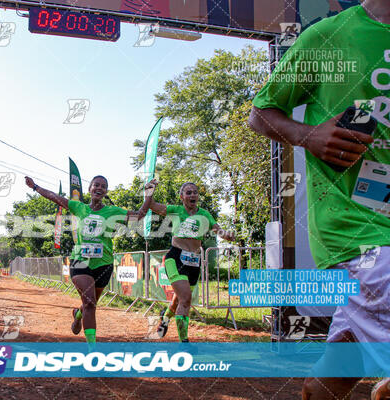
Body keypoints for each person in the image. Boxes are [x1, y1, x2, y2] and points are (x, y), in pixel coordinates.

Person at [247, 1, 390, 398]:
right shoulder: (328, 36)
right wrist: (308, 136)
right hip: (356, 223)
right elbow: (260, 113)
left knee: (340, 372)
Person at [25, 175, 152, 345]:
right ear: (90, 189)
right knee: (90, 303)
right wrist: (35, 187)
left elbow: (139, 215)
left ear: (106, 191)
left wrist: (149, 194)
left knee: (89, 304)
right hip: (80, 262)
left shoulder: (113, 211)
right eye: (96, 185)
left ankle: (78, 315)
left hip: (103, 264)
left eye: (103, 186)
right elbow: (54, 196)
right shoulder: (79, 207)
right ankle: (92, 350)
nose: (99, 188)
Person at [145, 180, 234, 342]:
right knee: (186, 299)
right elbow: (151, 205)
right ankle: (184, 343)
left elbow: (218, 230)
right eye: (188, 192)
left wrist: (227, 235)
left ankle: (165, 319)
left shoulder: (204, 214)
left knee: (178, 300)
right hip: (176, 258)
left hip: (194, 262)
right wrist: (149, 191)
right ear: (182, 197)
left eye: (195, 192)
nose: (192, 195)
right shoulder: (176, 210)